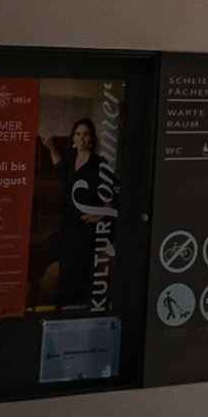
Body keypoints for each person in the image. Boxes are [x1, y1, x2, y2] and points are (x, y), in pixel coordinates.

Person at [55, 117, 118, 307]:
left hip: (85, 226)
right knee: (65, 269)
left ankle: (77, 308)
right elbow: (58, 168)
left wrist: (103, 212)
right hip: (68, 223)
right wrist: (49, 146)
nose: (81, 138)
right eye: (78, 134)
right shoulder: (70, 158)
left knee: (80, 270)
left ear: (92, 138)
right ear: (73, 137)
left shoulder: (99, 163)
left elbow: (114, 192)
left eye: (86, 134)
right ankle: (63, 308)